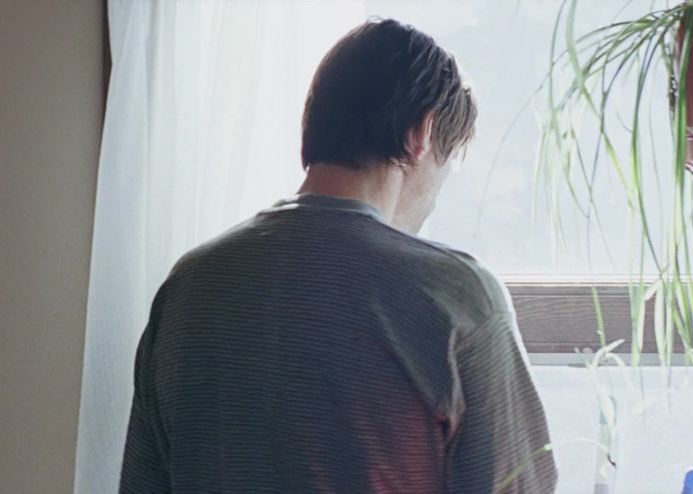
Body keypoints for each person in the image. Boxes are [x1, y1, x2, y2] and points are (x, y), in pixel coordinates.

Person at [120, 18, 556, 494]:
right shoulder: (457, 297)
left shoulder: (188, 287)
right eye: (446, 164)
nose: (435, 199)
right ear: (423, 133)